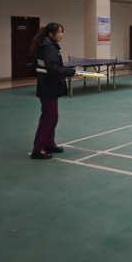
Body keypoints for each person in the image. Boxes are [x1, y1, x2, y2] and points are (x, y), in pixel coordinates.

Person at [30, 23, 79, 160]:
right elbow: (53, 68)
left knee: (53, 117)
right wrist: (71, 72)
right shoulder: (49, 47)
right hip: (48, 87)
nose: (62, 35)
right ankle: (38, 149)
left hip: (49, 86)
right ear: (51, 34)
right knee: (48, 119)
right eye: (59, 32)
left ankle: (49, 144)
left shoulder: (48, 45)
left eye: (62, 32)